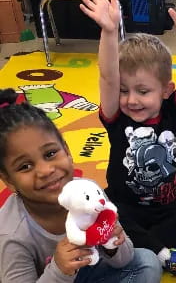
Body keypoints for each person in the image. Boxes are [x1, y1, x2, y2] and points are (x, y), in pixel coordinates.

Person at [77, 0, 176, 277]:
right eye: (125, 91)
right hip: (127, 205)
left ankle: (135, 246)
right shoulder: (116, 116)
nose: (131, 100)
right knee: (99, 210)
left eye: (143, 91)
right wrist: (109, 32)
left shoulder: (175, 113)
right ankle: (164, 254)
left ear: (166, 90)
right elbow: (109, 77)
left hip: (175, 207)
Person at [0, 88, 162, 283]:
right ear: (8, 180)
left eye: (50, 154)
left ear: (67, 151)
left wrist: (113, 245)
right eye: (25, 166)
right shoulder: (12, 235)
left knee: (147, 262)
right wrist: (59, 270)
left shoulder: (89, 192)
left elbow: (124, 260)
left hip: (89, 271)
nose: (45, 170)